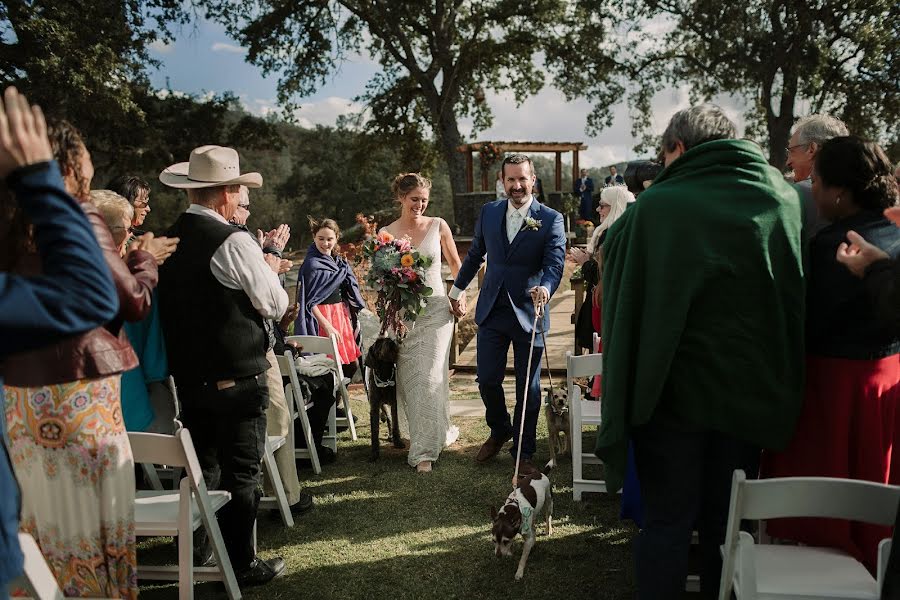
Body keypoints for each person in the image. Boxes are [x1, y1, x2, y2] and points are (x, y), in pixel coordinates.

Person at [594, 104, 805, 599]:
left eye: (664, 155)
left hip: (671, 400)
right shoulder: (780, 197)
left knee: (667, 523)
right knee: (729, 526)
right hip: (750, 396)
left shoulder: (657, 208)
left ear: (679, 149)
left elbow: (621, 289)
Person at [3, 118, 170, 598]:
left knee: (44, 527)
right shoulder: (76, 216)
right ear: (73, 165)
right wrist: (143, 258)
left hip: (22, 402)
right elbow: (126, 301)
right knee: (92, 534)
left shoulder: (12, 222)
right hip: (79, 400)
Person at [0, 86, 118, 600]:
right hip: (64, 408)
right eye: (82, 187)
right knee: (69, 539)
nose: (85, 202)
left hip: (30, 414)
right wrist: (41, 183)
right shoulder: (59, 226)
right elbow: (95, 295)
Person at [764, 136, 900, 573]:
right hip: (888, 380)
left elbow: (805, 321)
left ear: (839, 190)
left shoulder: (834, 246)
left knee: (823, 506)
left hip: (834, 387)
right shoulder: (896, 230)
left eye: (817, 182)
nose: (813, 192)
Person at [156, 145, 288, 587]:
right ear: (227, 193)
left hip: (189, 379)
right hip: (238, 377)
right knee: (242, 472)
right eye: (237, 190)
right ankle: (241, 563)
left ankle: (193, 554)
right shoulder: (233, 241)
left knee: (200, 470)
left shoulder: (167, 239)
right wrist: (269, 266)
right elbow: (274, 303)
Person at [450, 154, 566, 477]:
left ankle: (524, 450)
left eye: (522, 179)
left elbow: (555, 265)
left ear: (534, 179)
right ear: (502, 181)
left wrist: (545, 287)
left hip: (531, 311)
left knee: (527, 388)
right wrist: (457, 291)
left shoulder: (551, 219)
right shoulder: (489, 212)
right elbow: (475, 254)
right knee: (487, 378)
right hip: (492, 308)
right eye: (510, 179)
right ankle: (500, 429)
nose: (516, 186)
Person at [380, 173, 465, 473]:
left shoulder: (438, 225)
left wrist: (461, 295)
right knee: (412, 381)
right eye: (414, 199)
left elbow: (457, 265)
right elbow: (384, 279)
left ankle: (424, 453)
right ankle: (435, 432)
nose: (419, 205)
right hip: (405, 316)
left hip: (438, 311)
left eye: (424, 200)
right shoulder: (386, 233)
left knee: (429, 375)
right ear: (401, 198)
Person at [91, 190, 175, 434]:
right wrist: (143, 263)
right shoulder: (107, 276)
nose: (131, 236)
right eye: (128, 229)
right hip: (115, 390)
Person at [570, 186, 634, 355]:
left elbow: (604, 276)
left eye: (602, 205)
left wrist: (585, 262)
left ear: (615, 206)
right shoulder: (622, 231)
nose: (598, 209)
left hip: (605, 306)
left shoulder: (612, 235)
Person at [294, 218, 365, 370]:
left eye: (329, 239)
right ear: (314, 237)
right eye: (321, 239)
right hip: (323, 318)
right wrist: (327, 326)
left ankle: (340, 393)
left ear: (336, 238)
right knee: (330, 365)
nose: (325, 243)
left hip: (341, 316)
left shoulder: (338, 261)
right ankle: (335, 394)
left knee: (350, 365)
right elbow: (309, 302)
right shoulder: (312, 264)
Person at [785, 114, 849, 247]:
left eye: (791, 151)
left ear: (811, 149)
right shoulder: (858, 192)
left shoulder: (795, 194)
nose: (788, 161)